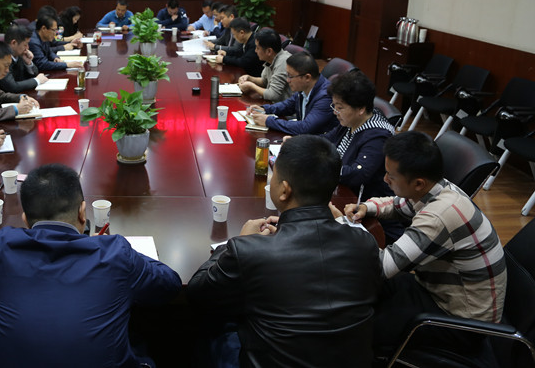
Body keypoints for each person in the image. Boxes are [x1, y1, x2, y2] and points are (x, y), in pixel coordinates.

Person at [187, 135, 381, 368]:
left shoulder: (249, 250)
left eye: (275, 176)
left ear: (284, 191)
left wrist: (237, 242)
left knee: (209, 326)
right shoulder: (365, 243)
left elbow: (198, 293)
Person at [0, 163, 182, 368]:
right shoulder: (113, 254)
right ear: (82, 212)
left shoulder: (1, 247)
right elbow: (170, 284)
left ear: (25, 220)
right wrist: (121, 252)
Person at [339, 131, 507, 356]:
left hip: (461, 323)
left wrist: (341, 227)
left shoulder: (439, 216)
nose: (385, 180)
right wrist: (365, 208)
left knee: (358, 332)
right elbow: (398, 205)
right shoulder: (438, 189)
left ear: (418, 183)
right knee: (358, 291)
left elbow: (380, 266)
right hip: (435, 290)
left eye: (391, 176)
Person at [323, 70, 402, 241]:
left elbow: (358, 174)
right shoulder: (351, 121)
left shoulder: (378, 135)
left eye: (340, 107)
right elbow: (327, 139)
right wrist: (301, 143)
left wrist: (322, 167)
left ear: (360, 109)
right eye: (334, 106)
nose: (335, 112)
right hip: (345, 196)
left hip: (370, 215)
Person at [246, 51, 338, 135]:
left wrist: (268, 121)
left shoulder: (325, 97)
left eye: (290, 76)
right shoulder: (304, 88)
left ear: (307, 77)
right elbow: (288, 105)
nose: (288, 80)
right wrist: (264, 109)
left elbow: (305, 128)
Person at [0, 41, 39, 122]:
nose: (7, 70)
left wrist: (21, 97)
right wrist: (16, 109)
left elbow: (0, 96)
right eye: (5, 66)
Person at [237, 28, 292, 103]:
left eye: (258, 48)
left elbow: (273, 95)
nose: (255, 51)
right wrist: (249, 78)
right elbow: (265, 81)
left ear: (269, 51)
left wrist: (251, 86)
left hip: (283, 108)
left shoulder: (283, 62)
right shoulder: (271, 58)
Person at [0, 24, 48, 93]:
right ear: (14, 43)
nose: (27, 48)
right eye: (25, 44)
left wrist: (28, 63)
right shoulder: (1, 58)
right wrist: (37, 81)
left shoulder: (19, 54)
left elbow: (35, 74)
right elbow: (12, 87)